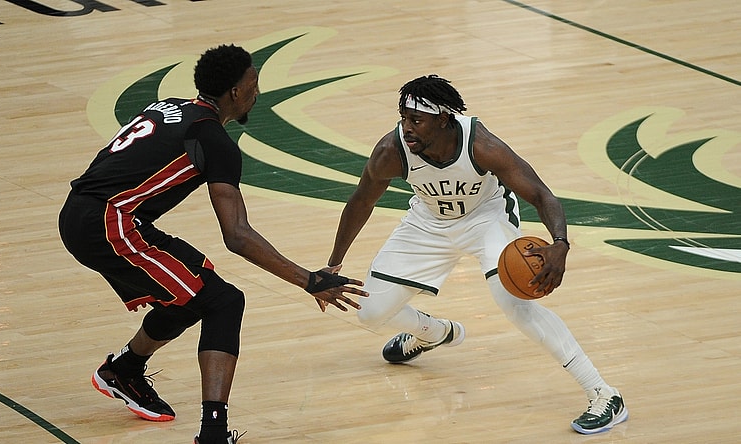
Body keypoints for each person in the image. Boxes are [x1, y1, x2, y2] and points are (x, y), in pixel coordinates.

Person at [58, 44, 367, 444]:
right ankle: (213, 434)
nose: (258, 92)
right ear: (236, 93)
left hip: (85, 213)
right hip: (110, 224)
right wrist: (309, 280)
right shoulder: (213, 139)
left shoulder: (167, 106)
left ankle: (125, 369)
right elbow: (237, 235)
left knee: (197, 291)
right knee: (223, 301)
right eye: (254, 84)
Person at [325, 75, 627, 435]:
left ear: (444, 119)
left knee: (517, 305)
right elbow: (361, 202)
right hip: (428, 222)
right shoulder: (391, 151)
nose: (407, 128)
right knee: (369, 312)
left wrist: (560, 244)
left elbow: (542, 196)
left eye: (416, 121)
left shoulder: (482, 145)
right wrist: (334, 263)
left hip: (487, 219)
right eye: (403, 118)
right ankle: (433, 333)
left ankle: (604, 393)